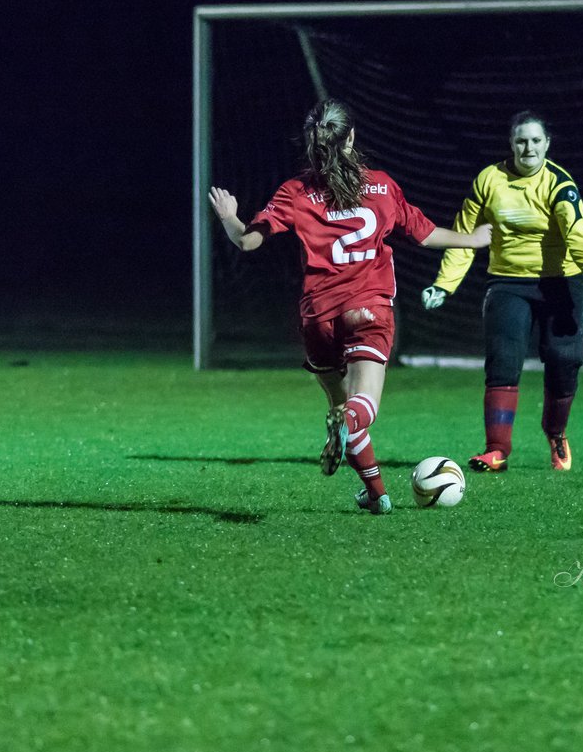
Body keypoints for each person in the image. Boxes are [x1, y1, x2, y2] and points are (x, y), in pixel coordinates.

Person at [209, 98, 491, 515]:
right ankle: (350, 422)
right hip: (368, 308)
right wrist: (476, 239)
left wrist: (230, 216)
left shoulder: (295, 191)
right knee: (363, 406)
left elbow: (247, 241)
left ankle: (376, 495)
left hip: (318, 318)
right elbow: (426, 234)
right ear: (352, 138)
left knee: (340, 403)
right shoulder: (382, 186)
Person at [421, 111, 583, 473]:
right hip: (508, 282)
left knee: (564, 358)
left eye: (535, 141)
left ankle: (556, 433)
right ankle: (496, 450)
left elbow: (579, 235)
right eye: (521, 141)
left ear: (547, 144)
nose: (528, 147)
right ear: (511, 144)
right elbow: (465, 236)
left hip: (562, 281)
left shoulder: (560, 184)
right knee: (503, 361)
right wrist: (443, 285)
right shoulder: (488, 179)